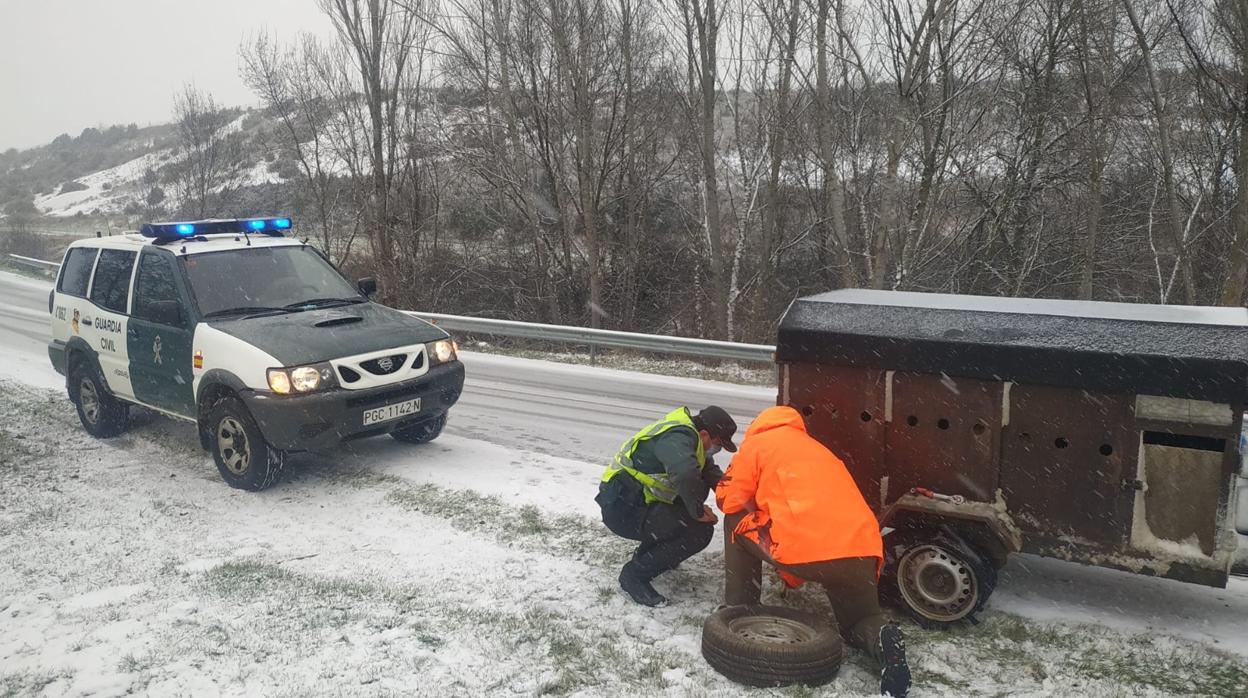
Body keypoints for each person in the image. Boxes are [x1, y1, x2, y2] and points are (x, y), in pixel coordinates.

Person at [715, 405, 910, 698]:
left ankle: (739, 606)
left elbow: (730, 500)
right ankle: (883, 639)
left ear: (758, 425)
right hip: (862, 549)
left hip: (810, 548)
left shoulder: (757, 444)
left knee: (735, 522)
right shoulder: (818, 448)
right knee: (858, 622)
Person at [596, 405, 739, 607]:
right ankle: (634, 576)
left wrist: (741, 500)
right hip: (622, 509)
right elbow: (685, 474)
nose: (716, 450)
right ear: (705, 433)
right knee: (699, 530)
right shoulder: (678, 437)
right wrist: (697, 512)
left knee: (690, 505)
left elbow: (713, 476)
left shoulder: (693, 441)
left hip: (635, 504)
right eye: (717, 444)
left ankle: (649, 555)